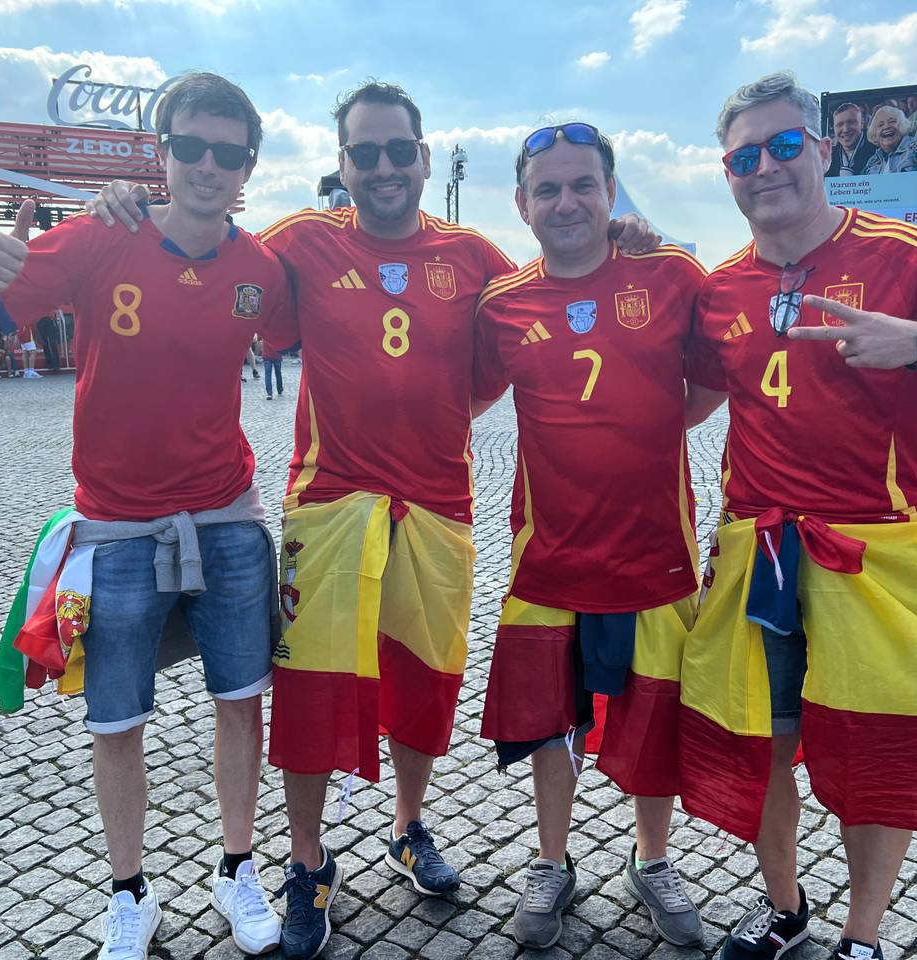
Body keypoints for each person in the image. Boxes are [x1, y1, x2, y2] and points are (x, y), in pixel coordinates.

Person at [87, 79, 659, 960]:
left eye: (399, 150)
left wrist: (626, 242)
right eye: (365, 153)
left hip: (439, 505)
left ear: (424, 158)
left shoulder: (474, 256)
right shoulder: (302, 241)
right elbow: (204, 242)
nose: (384, 166)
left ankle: (407, 824)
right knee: (312, 690)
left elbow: (551, 293)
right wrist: (131, 205)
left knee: (424, 684)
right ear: (343, 162)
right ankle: (307, 861)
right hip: (330, 504)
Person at [0, 72, 293, 960]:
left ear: (248, 166)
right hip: (118, 530)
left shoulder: (261, 269)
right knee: (116, 720)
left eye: (228, 152)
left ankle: (236, 868)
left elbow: (331, 329)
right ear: (162, 152)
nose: (207, 165)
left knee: (241, 703)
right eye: (190, 146)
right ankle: (130, 891)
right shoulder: (100, 236)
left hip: (228, 522)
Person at [678, 72, 917, 960]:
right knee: (763, 739)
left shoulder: (905, 254)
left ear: (823, 149)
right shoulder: (719, 288)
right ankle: (785, 908)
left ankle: (862, 937)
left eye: (784, 146)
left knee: (876, 745)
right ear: (728, 173)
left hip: (873, 549)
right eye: (744, 157)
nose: (766, 168)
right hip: (759, 550)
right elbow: (687, 400)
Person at [473, 122, 706, 950]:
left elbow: (715, 380)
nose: (566, 202)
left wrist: (647, 431)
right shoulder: (501, 303)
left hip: (657, 550)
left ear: (611, 192)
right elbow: (460, 396)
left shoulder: (671, 275)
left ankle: (652, 858)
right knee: (550, 717)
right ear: (522, 203)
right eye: (548, 189)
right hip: (548, 553)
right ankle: (551, 861)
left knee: (656, 710)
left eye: (583, 185)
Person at [862, 105, 917, 174]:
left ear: (902, 125)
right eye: (880, 125)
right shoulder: (872, 161)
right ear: (875, 134)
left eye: (892, 121)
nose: (886, 126)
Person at [824, 102, 873, 177]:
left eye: (851, 122)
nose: (845, 129)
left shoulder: (878, 153)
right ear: (834, 128)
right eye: (839, 124)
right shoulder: (828, 158)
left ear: (862, 124)